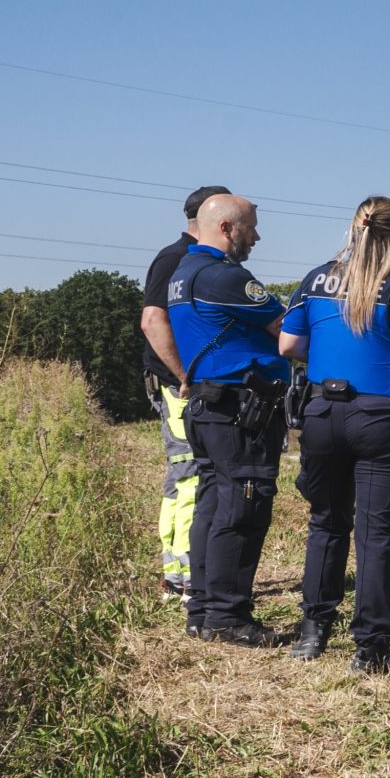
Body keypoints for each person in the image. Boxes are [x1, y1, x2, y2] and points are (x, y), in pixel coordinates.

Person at [277, 197, 390, 675]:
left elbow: (288, 344)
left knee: (326, 524)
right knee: (377, 536)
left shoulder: (315, 281)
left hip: (323, 412)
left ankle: (312, 632)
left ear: (354, 228)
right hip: (382, 417)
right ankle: (370, 648)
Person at [165, 194, 289, 644]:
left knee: (213, 506)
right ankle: (226, 617)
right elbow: (288, 331)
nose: (256, 236)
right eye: (250, 228)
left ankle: (204, 609)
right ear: (225, 228)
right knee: (242, 507)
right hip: (238, 409)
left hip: (209, 406)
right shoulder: (225, 277)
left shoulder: (184, 274)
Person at [138, 184, 230, 598]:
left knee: (182, 475)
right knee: (190, 475)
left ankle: (177, 573)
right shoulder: (176, 259)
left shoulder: (184, 259)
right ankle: (187, 576)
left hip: (179, 385)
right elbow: (153, 322)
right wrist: (184, 377)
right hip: (179, 388)